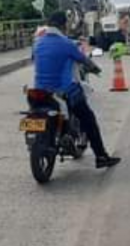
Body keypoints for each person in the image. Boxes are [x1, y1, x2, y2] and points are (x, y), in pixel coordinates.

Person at [33, 11, 121, 169]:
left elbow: (35, 57)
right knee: (88, 119)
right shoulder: (67, 44)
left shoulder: (38, 42)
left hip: (39, 92)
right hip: (63, 91)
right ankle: (101, 156)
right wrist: (95, 69)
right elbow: (84, 61)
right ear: (63, 25)